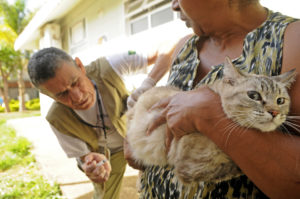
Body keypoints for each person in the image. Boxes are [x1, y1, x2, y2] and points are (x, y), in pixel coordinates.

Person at [125, 0, 300, 198]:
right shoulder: (185, 46)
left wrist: (212, 116)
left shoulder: (293, 40)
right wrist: (137, 138)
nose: (173, 5)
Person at [26, 46, 178, 199]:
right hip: (108, 156)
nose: (77, 97)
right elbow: (84, 157)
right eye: (62, 94)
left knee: (164, 183)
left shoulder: (108, 66)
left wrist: (148, 84)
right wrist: (90, 165)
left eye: (75, 82)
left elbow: (165, 52)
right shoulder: (57, 119)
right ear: (49, 95)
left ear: (80, 66)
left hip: (140, 136)